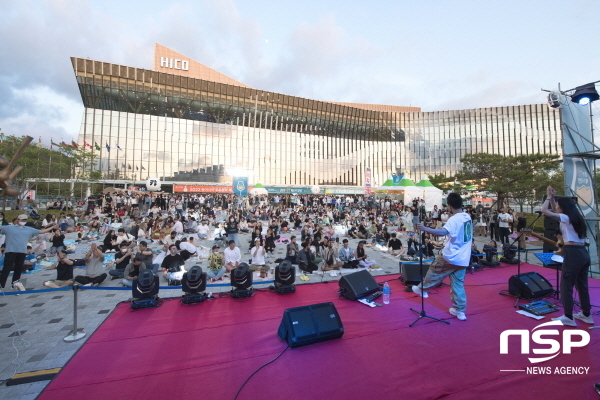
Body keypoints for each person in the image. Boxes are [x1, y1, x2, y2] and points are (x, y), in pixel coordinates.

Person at [413, 193, 472, 321]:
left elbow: (443, 232)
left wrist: (425, 228)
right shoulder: (467, 216)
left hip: (451, 256)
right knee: (458, 284)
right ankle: (460, 311)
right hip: (463, 258)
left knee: (434, 271)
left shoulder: (454, 219)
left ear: (450, 206)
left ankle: (422, 288)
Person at [542, 186, 594, 326]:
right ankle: (586, 314)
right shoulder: (575, 217)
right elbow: (554, 210)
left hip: (573, 253)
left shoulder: (565, 217)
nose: (556, 206)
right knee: (581, 285)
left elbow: (545, 211)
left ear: (563, 208)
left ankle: (568, 316)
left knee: (566, 285)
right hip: (583, 253)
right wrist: (553, 198)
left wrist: (547, 197)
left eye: (558, 205)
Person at [0, 214, 57, 291]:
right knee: (6, 268)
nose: (23, 221)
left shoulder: (28, 229)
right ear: (18, 220)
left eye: (25, 220)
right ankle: (1, 285)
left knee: (18, 268)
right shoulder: (9, 228)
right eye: (22, 220)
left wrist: (52, 227)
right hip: (11, 251)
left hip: (22, 252)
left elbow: (41, 231)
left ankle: (15, 283)